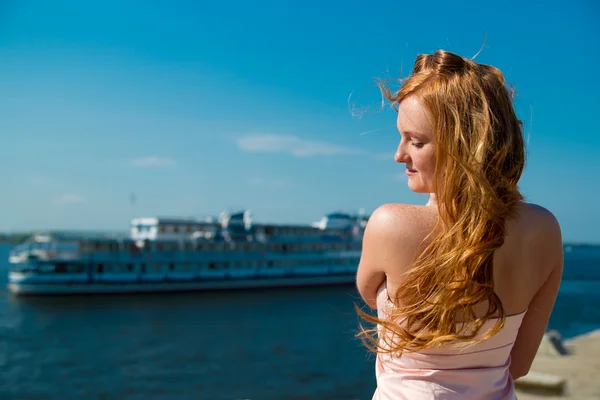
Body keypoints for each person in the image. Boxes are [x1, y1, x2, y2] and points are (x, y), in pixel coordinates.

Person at [355, 50, 564, 399]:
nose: (399, 154)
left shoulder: (389, 225)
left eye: (416, 141)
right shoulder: (545, 229)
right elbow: (520, 365)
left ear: (464, 146)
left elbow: (370, 297)